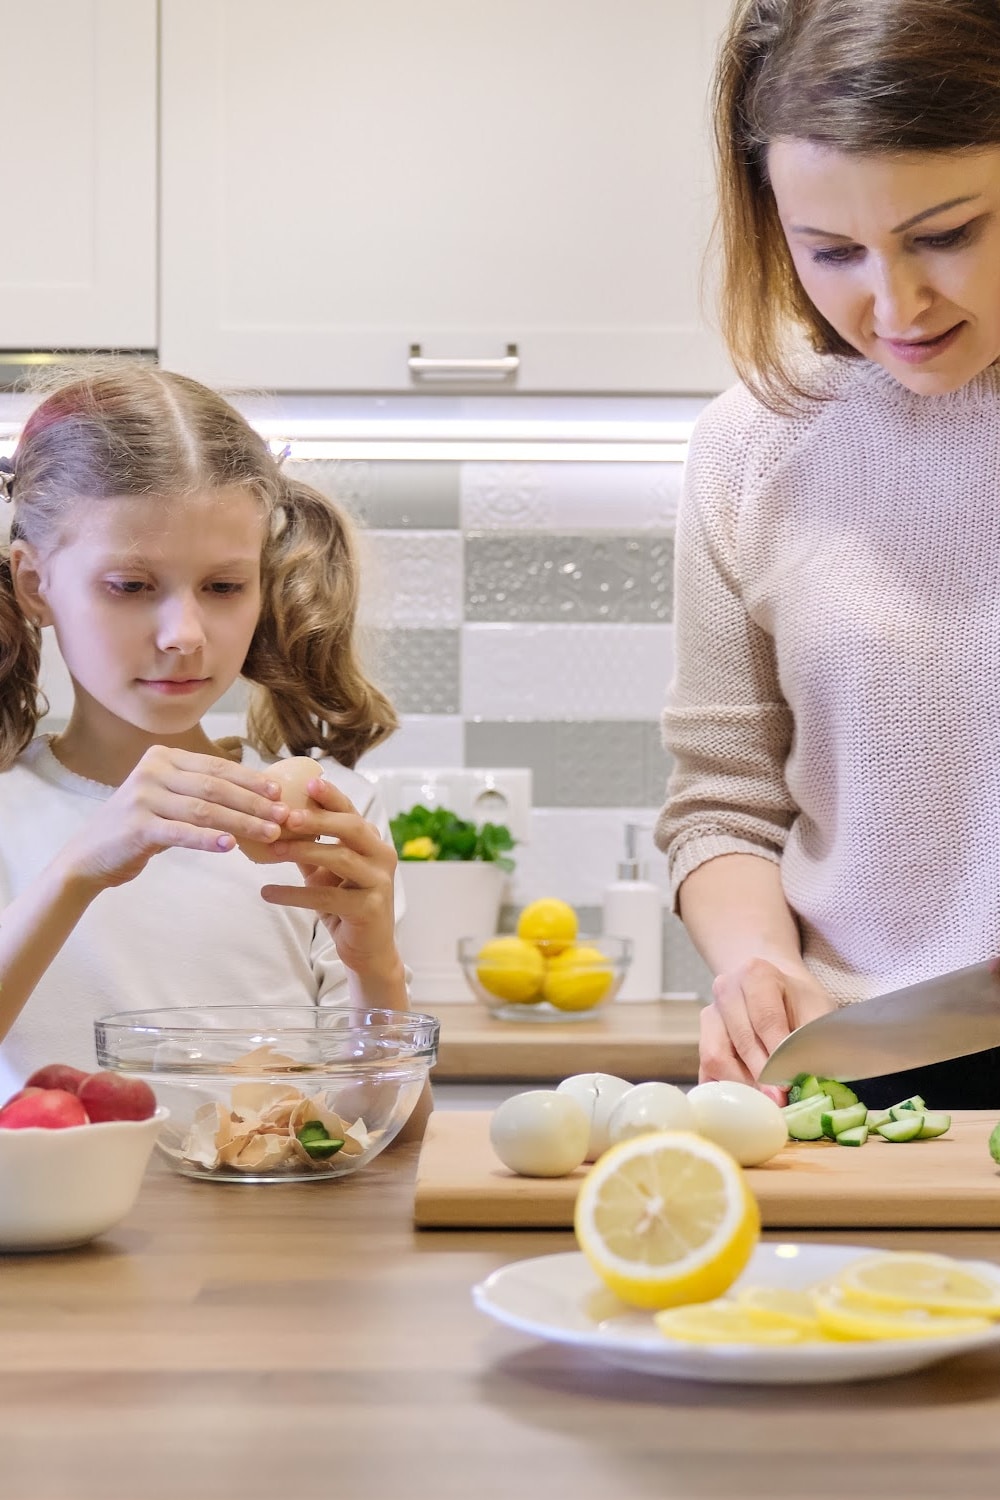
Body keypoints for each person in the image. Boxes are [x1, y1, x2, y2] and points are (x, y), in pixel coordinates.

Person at [655, 0, 1000, 1108]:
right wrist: (757, 967)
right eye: (832, 250)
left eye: (947, 233)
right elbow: (723, 802)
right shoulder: (755, 446)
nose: (894, 303)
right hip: (862, 1079)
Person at [0, 361, 412, 1107]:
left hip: (267, 1225)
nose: (185, 634)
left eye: (224, 587)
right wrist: (78, 870)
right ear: (36, 585)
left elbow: (386, 1127)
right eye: (131, 586)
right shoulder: (10, 808)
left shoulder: (328, 810)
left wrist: (375, 963)